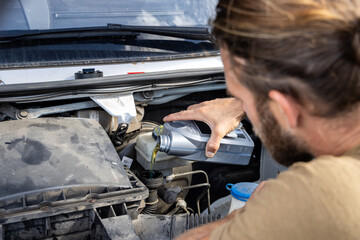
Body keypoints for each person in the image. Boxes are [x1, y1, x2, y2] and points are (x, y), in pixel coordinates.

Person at [164, 0, 360, 239]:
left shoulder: (323, 193)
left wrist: (244, 217)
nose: (242, 109)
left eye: (239, 97)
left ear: (285, 107)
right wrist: (243, 103)